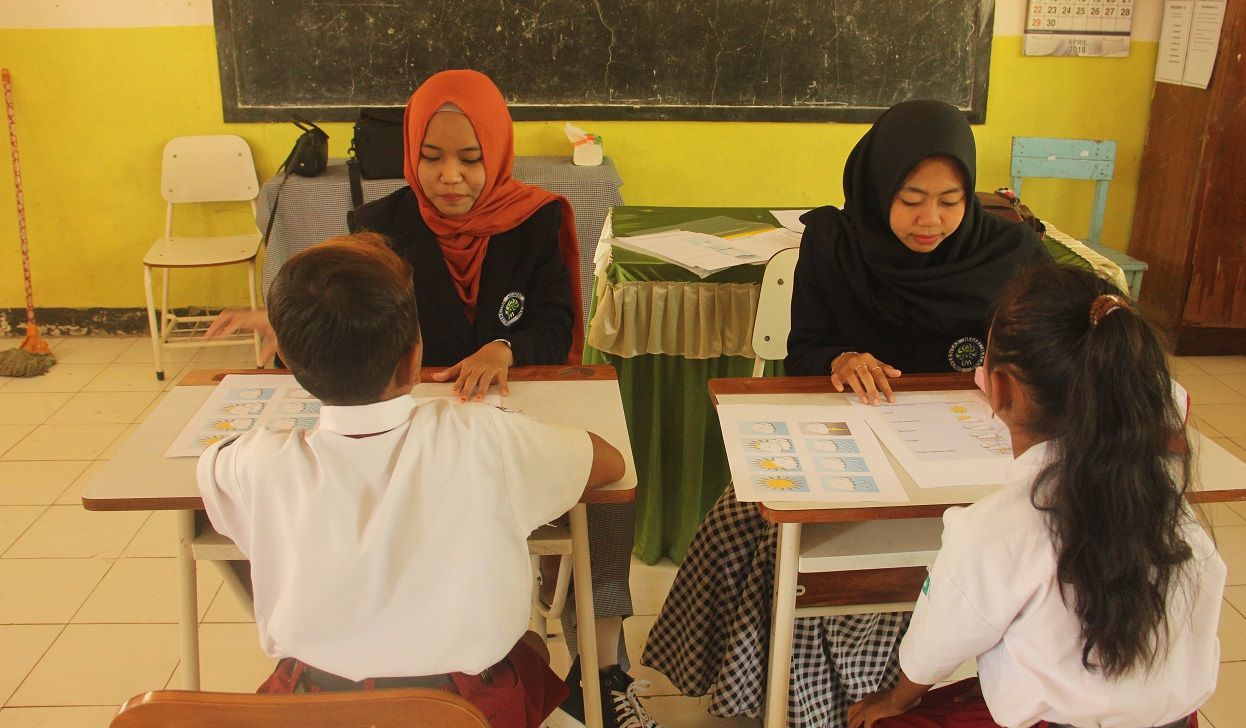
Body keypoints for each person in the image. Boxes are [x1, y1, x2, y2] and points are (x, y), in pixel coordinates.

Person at [208, 69, 648, 727]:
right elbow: (348, 308)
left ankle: (603, 662)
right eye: (431, 158)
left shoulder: (535, 220)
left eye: (471, 160)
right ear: (409, 154)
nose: (450, 177)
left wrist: (506, 349)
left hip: (487, 402)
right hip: (429, 421)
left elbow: (555, 323)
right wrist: (305, 323)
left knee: (603, 511)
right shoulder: (378, 227)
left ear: (497, 155)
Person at [642, 100, 1049, 726]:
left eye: (950, 199)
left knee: (889, 564)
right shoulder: (835, 243)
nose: (931, 219)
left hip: (959, 458)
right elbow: (802, 349)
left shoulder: (1010, 255)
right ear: (878, 183)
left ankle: (837, 697)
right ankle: (760, 685)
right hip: (846, 436)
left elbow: (1047, 354)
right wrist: (839, 357)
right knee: (746, 517)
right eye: (911, 197)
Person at [197, 233, 626, 727]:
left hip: (314, 707)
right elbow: (609, 464)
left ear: (290, 365)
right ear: (413, 357)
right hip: (464, 709)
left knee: (525, 652)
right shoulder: (482, 436)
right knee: (530, 649)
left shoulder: (256, 462)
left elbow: (211, 466)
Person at [850, 264, 1224, 728]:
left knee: (880, 721)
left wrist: (897, 699)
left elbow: (936, 643)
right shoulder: (1171, 506)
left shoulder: (993, 529)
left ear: (1000, 386)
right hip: (1179, 721)